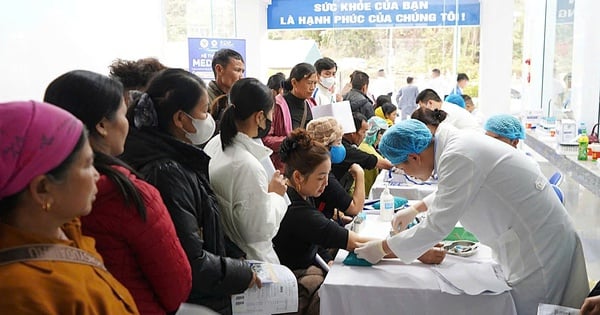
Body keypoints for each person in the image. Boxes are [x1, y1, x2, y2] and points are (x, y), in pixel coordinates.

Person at [355, 119, 589, 315]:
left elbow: (438, 226)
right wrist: (417, 208)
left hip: (539, 249)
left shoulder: (458, 155)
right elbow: (457, 188)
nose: (406, 174)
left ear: (415, 157)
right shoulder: (455, 146)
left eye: (403, 168)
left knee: (537, 309)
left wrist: (381, 248)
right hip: (532, 236)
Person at [43, 70, 191, 315]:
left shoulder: (44, 190)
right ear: (102, 125)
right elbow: (176, 286)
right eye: (124, 114)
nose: (129, 123)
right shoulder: (129, 193)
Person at [120, 68, 260, 314]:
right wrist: (240, 273)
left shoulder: (179, 159)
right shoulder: (166, 172)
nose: (209, 118)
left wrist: (233, 254)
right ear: (180, 119)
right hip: (197, 298)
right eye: (204, 110)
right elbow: (188, 256)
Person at [0, 101, 139, 314]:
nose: (96, 174)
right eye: (86, 164)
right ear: (43, 189)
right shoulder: (22, 296)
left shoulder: (65, 230)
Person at [203, 78, 288, 263]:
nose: (271, 121)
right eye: (270, 114)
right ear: (259, 117)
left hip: (230, 254)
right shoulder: (246, 165)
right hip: (253, 261)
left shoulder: (215, 145)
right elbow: (259, 230)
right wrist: (275, 195)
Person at [306, 117, 365, 222]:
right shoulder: (323, 175)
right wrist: (360, 174)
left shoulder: (311, 165)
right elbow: (355, 209)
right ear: (326, 146)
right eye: (338, 143)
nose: (341, 147)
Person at [264, 62, 318, 172]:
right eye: (309, 83)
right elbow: (265, 139)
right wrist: (292, 141)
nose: (312, 87)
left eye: (315, 83)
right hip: (284, 168)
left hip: (308, 165)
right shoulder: (277, 105)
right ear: (294, 82)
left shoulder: (312, 104)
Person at [332, 112, 393, 192]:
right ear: (353, 133)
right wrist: (396, 167)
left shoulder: (350, 145)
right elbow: (370, 159)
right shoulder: (345, 149)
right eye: (363, 132)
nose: (365, 135)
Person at [208, 49, 245, 129]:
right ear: (219, 69)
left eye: (242, 71)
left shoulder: (236, 98)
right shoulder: (204, 98)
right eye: (237, 70)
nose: (241, 76)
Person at [416, 88, 482, 131]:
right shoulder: (446, 108)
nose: (423, 112)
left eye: (422, 107)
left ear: (430, 103)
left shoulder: (447, 112)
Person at [358, 116, 389, 195]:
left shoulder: (370, 146)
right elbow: (385, 164)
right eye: (384, 133)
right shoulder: (366, 148)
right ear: (377, 134)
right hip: (365, 190)